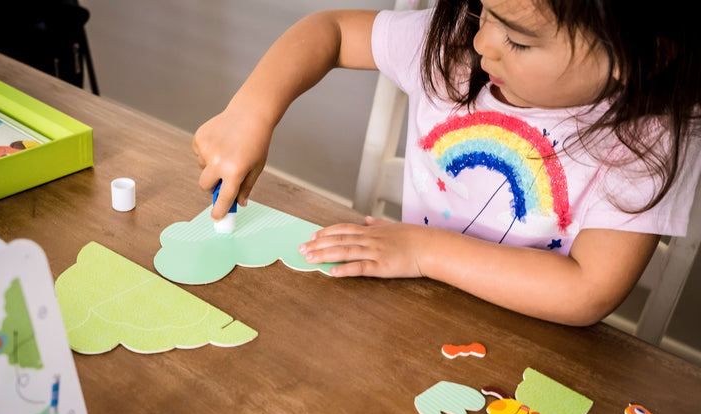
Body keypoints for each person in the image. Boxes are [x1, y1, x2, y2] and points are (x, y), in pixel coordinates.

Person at [191, 1, 701, 326]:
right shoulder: (453, 46)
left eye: (518, 40)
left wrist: (422, 250)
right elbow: (334, 30)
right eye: (483, 10)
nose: (481, 43)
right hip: (405, 319)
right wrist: (250, 113)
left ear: (644, 56)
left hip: (529, 349)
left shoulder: (650, 136)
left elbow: (587, 291)